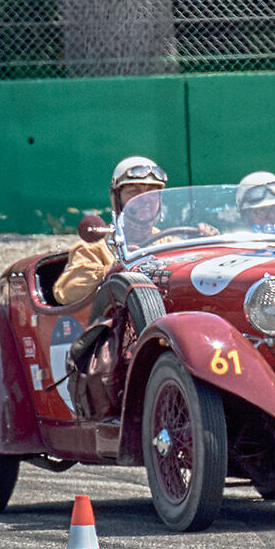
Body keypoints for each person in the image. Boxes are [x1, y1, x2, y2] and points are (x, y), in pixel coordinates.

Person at [60, 155, 172, 414]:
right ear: (117, 199)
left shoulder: (172, 243)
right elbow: (66, 290)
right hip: (114, 346)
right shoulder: (97, 247)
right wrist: (113, 271)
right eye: (133, 192)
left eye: (152, 194)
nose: (144, 200)